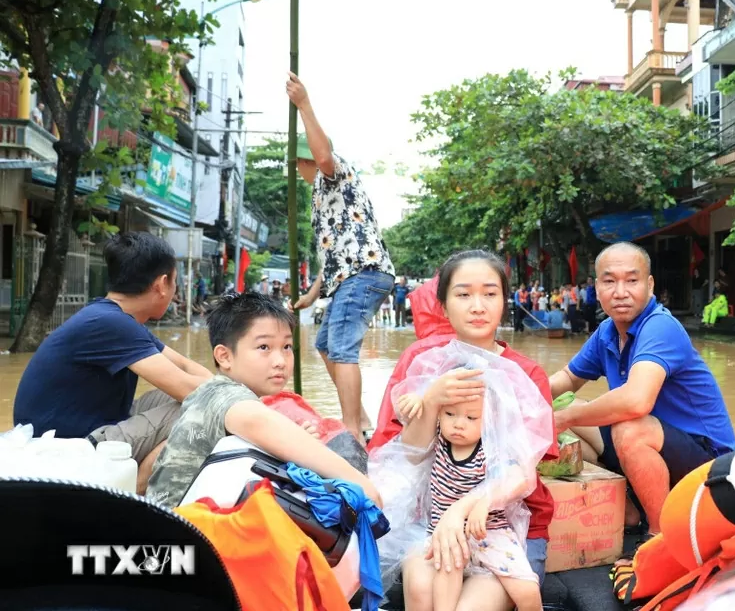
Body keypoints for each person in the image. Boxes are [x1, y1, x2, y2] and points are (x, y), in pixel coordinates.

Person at [367, 251, 558, 606]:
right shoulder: (422, 362)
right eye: (463, 294)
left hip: (505, 528)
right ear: (443, 304)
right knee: (424, 596)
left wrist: (462, 510)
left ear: (505, 300)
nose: (477, 306)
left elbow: (523, 472)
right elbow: (406, 459)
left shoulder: (527, 374)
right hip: (430, 520)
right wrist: (433, 400)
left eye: (489, 293)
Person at [548, 242, 735, 534]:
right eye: (610, 281)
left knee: (627, 427)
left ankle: (660, 535)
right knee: (557, 406)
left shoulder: (660, 327)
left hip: (707, 464)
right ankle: (627, 508)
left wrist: (565, 419)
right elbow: (567, 379)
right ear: (597, 288)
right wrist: (520, 400)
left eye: (631, 280)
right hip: (654, 447)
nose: (620, 292)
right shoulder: (607, 332)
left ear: (649, 286)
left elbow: (637, 402)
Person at [13, 232, 213, 492]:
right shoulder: (111, 324)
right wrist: (239, 397)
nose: (175, 290)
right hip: (65, 446)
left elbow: (184, 366)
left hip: (90, 425)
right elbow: (188, 389)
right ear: (163, 283)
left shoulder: (117, 318)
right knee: (201, 408)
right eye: (176, 281)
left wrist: (229, 388)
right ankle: (135, 494)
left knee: (192, 397)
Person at [146, 292, 381, 510]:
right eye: (264, 347)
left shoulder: (212, 390)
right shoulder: (229, 398)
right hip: (180, 537)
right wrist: (369, 490)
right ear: (224, 356)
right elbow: (255, 420)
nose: (280, 360)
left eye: (287, 347)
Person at [286, 71, 395, 443]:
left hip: (363, 273)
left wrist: (303, 104)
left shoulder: (333, 174)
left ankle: (352, 430)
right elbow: (332, 256)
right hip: (349, 274)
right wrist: (313, 293)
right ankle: (361, 418)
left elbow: (323, 154)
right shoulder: (321, 196)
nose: (297, 169)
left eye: (298, 162)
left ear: (304, 162)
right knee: (325, 346)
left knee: (343, 349)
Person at [392, 381, 542, 611]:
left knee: (527, 591)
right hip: (445, 534)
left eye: (471, 418)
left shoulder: (489, 450)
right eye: (450, 413)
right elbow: (414, 437)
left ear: (489, 421)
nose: (459, 424)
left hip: (489, 533)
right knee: (446, 580)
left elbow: (517, 477)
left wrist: (487, 500)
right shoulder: (439, 440)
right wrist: (419, 402)